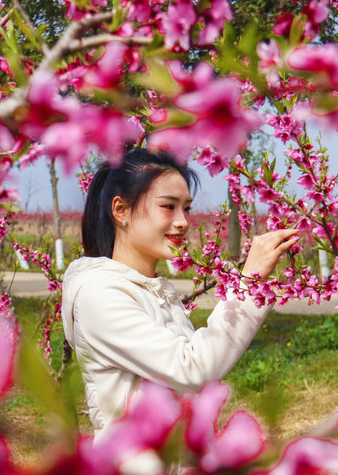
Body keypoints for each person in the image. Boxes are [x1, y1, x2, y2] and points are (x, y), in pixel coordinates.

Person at [61, 149, 298, 449]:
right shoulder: (99, 294)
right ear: (120, 210)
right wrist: (249, 283)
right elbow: (191, 368)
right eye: (168, 206)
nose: (183, 221)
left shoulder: (150, 290)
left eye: (186, 208)